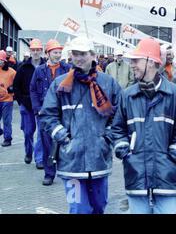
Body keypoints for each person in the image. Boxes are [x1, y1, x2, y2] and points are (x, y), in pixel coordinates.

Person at [39, 36, 122, 214]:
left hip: (99, 159)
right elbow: (47, 115)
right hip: (71, 162)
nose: (78, 58)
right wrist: (63, 138)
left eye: (83, 53)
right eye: (75, 54)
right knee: (78, 209)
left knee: (99, 207)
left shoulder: (108, 83)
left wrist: (107, 137)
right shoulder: (60, 84)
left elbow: (121, 115)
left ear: (93, 55)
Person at [111, 37, 176, 214]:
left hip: (167, 175)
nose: (131, 65)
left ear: (151, 61)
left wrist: (174, 156)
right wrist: (125, 152)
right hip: (136, 173)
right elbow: (117, 128)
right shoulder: (127, 96)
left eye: (135, 60)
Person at [30, 39, 71, 186]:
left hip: (63, 112)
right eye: (55, 52)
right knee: (47, 144)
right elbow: (33, 90)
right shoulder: (39, 70)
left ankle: (66, 170)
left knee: (65, 141)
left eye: (60, 52)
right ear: (48, 53)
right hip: (45, 113)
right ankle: (49, 174)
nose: (58, 55)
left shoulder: (67, 69)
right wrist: (37, 109)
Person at [13, 39, 46, 167]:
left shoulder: (46, 66)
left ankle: (39, 159)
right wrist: (21, 101)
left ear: (41, 51)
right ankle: (28, 152)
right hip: (26, 105)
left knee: (41, 132)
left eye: (38, 50)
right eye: (34, 50)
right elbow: (16, 86)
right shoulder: (23, 67)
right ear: (30, 51)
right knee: (28, 132)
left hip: (41, 105)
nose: (36, 52)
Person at [0, 50, 16, 147]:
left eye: (1, 60)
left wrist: (12, 90)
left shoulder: (12, 72)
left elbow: (18, 84)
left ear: (5, 60)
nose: (0, 62)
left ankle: (7, 138)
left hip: (7, 100)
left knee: (7, 120)